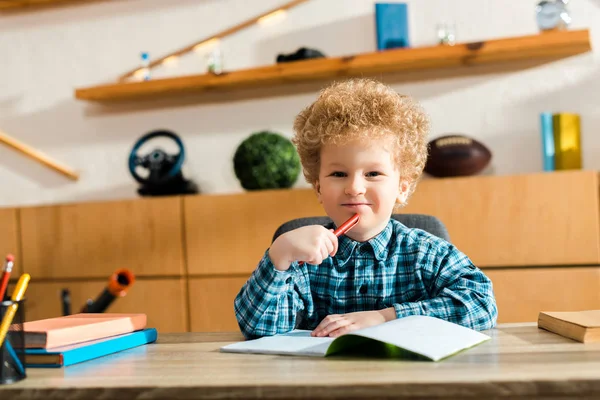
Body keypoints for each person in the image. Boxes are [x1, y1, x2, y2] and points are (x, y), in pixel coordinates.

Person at [234, 78, 497, 339]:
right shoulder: (302, 260)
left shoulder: (426, 253)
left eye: (373, 173)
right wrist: (278, 255)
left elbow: (481, 304)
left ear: (402, 188)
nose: (354, 188)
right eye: (338, 174)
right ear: (318, 189)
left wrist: (385, 317)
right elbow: (259, 327)